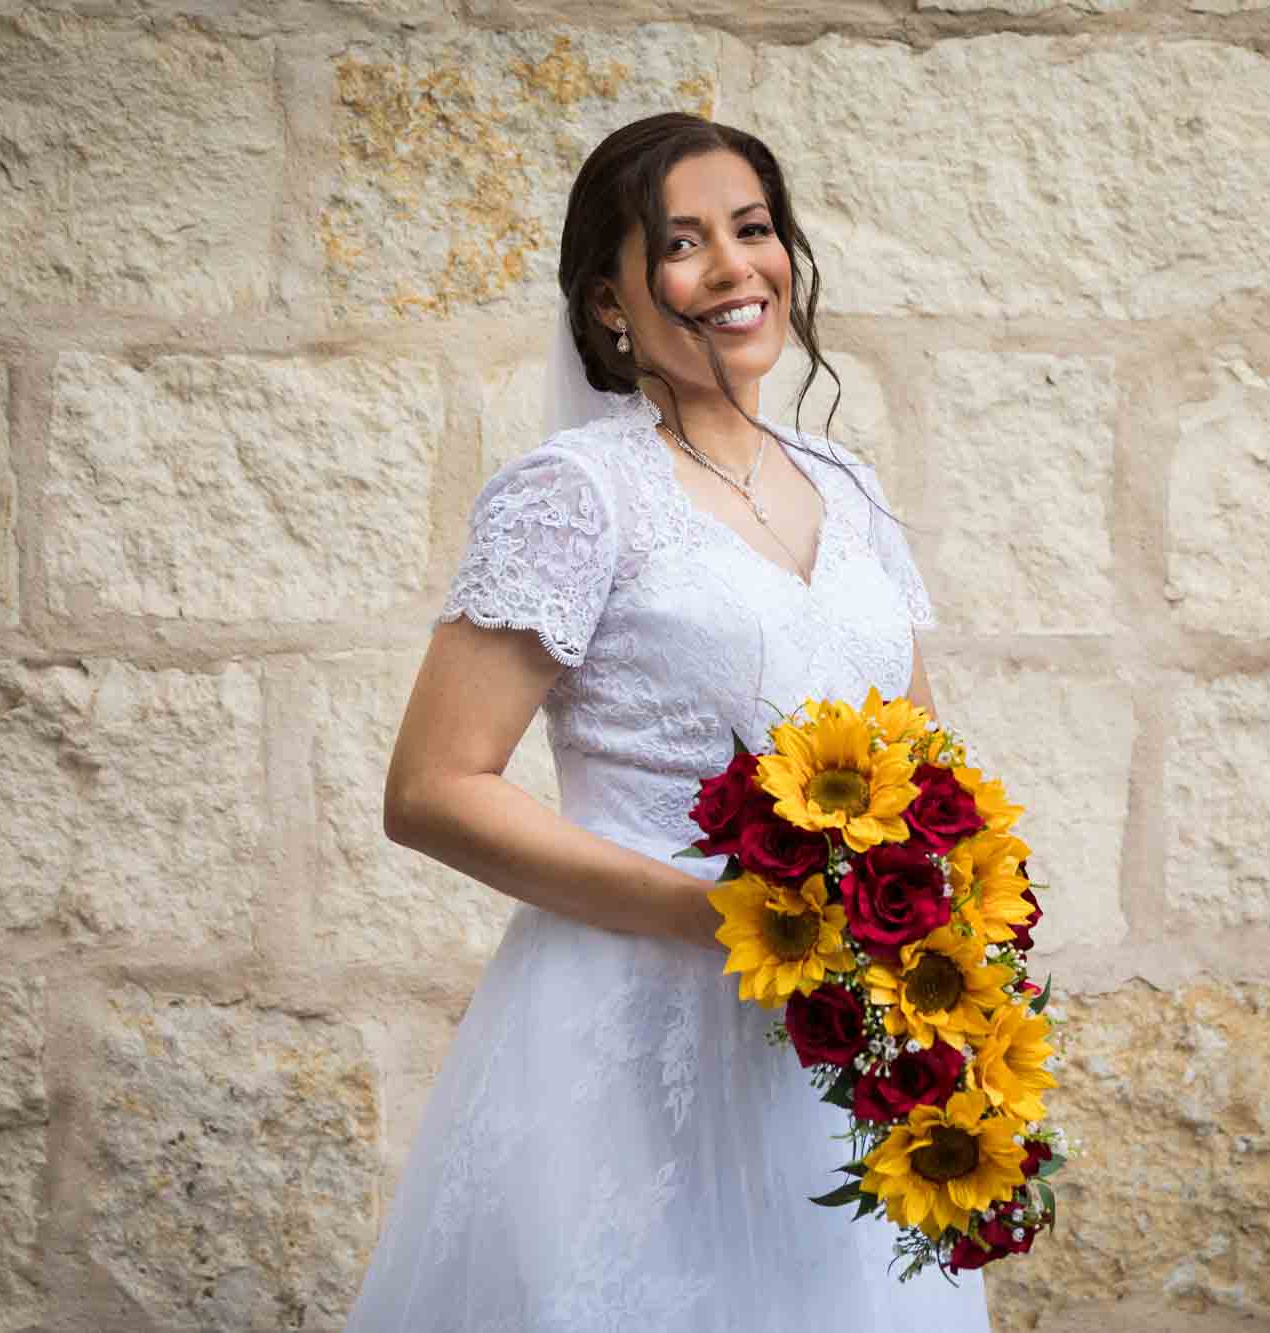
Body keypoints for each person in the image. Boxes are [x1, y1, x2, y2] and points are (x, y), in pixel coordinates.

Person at [338, 111, 988, 1331]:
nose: (737, 268)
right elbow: (431, 788)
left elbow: (919, 771)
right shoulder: (576, 494)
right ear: (610, 301)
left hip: (834, 1043)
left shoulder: (849, 492)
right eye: (683, 244)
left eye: (753, 228)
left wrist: (938, 968)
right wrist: (726, 915)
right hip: (629, 1030)